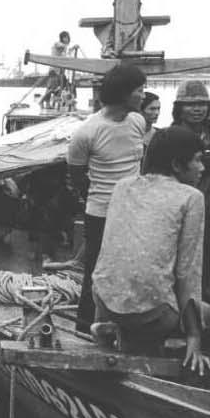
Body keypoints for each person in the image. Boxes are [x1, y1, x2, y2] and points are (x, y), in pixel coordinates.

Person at [89, 127, 210, 374]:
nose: (202, 168)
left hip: (103, 301)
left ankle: (106, 328)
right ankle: (152, 345)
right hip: (152, 315)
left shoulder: (122, 186)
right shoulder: (192, 197)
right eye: (198, 160)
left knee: (132, 282)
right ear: (177, 165)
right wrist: (194, 338)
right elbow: (188, 271)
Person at [68, 65, 149, 329]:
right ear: (124, 94)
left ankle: (123, 324)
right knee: (96, 270)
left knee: (131, 269)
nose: (143, 95)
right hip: (101, 213)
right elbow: (77, 175)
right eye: (139, 90)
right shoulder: (87, 132)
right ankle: (84, 325)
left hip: (135, 212)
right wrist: (100, 196)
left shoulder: (138, 121)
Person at [167, 79, 210, 285]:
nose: (197, 109)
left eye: (202, 104)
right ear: (179, 108)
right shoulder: (168, 137)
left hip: (209, 210)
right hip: (174, 209)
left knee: (206, 262)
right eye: (190, 104)